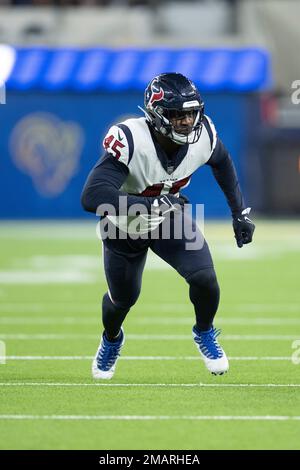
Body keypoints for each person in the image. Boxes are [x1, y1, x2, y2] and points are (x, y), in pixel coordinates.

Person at [81, 72, 255, 379]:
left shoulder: (205, 136)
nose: (187, 122)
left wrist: (239, 212)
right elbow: (92, 196)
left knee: (205, 278)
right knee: (122, 301)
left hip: (168, 220)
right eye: (177, 115)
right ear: (156, 114)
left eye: (191, 114)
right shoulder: (131, 139)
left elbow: (223, 162)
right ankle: (111, 339)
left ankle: (204, 331)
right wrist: (151, 205)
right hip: (122, 226)